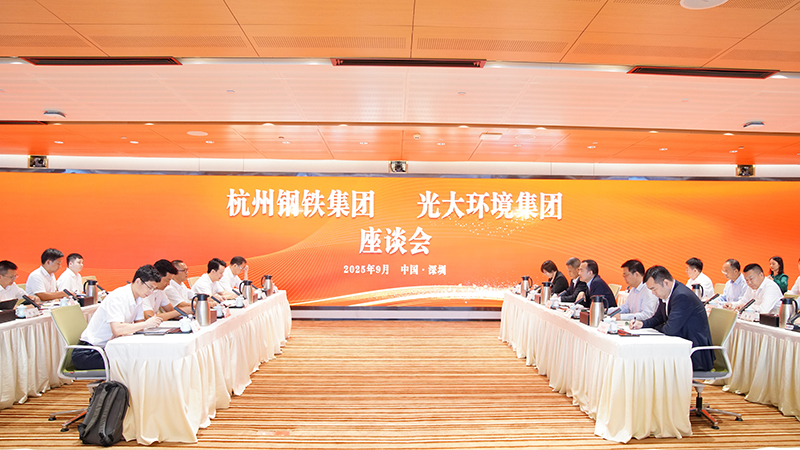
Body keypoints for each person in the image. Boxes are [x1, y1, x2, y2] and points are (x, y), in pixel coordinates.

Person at [71, 265, 163, 370]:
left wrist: (146, 326)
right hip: (89, 352)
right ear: (138, 281)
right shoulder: (118, 297)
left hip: (108, 348)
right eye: (150, 287)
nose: (151, 292)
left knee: (144, 357)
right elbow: (117, 329)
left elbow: (139, 327)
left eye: (153, 289)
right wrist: (146, 324)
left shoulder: (138, 298)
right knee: (135, 362)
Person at [632, 265, 715, 371]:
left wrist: (659, 327)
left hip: (694, 354)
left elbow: (670, 330)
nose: (653, 293)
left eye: (654, 289)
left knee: (651, 364)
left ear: (666, 283)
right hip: (680, 348)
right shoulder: (666, 293)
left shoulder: (682, 296)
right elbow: (658, 318)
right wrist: (642, 324)